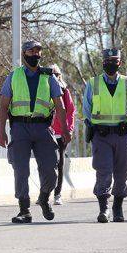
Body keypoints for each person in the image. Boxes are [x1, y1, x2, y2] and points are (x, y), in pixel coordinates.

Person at [0, 41, 72, 224]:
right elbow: (3, 106)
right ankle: (24, 210)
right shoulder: (14, 76)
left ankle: (45, 198)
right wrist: (1, 132)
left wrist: (63, 129)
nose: (35, 54)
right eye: (31, 51)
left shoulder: (49, 77)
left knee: (50, 169)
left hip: (42, 128)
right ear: (24, 54)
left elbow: (60, 105)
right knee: (21, 169)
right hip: (20, 128)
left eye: (38, 51)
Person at [82, 48, 127, 223]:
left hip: (122, 134)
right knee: (103, 170)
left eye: (114, 61)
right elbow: (87, 108)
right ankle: (104, 208)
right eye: (108, 61)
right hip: (101, 134)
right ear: (102, 63)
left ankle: (118, 206)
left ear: (120, 64)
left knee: (122, 171)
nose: (111, 64)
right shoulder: (93, 84)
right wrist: (92, 124)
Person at [46, 64, 75, 206]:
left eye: (56, 74)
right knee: (45, 164)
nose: (54, 77)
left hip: (60, 134)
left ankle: (57, 194)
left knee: (59, 163)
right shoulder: (43, 90)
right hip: (47, 133)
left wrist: (68, 130)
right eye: (51, 74)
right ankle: (44, 193)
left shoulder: (64, 92)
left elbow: (70, 112)